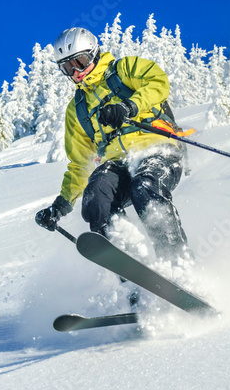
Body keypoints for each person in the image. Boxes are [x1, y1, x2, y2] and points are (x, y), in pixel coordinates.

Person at [35, 27, 190, 265]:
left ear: (94, 54)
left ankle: (177, 264)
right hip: (118, 163)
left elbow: (158, 82)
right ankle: (133, 271)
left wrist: (129, 106)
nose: (76, 71)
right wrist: (60, 206)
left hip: (158, 147)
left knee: (145, 187)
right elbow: (80, 164)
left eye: (80, 61)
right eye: (67, 67)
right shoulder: (77, 110)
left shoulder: (124, 70)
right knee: (96, 199)